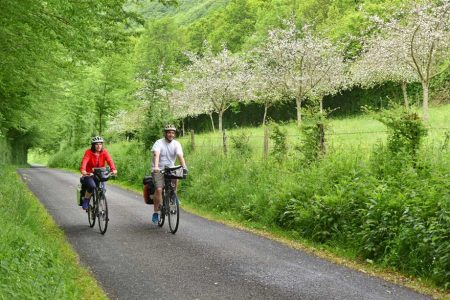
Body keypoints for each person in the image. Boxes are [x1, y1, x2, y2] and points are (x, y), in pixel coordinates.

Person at [151, 124, 187, 224]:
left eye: (172, 132)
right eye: (169, 132)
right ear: (165, 133)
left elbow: (180, 155)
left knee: (177, 173)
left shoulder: (176, 144)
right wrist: (156, 167)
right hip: (159, 169)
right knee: (159, 189)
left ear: (174, 134)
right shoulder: (159, 143)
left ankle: (173, 195)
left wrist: (184, 167)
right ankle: (156, 213)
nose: (171, 134)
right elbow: (156, 154)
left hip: (170, 168)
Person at [79, 136, 118, 210]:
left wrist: (113, 169)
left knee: (102, 190)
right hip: (89, 174)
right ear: (93, 145)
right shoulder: (89, 152)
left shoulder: (104, 152)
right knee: (92, 186)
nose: (98, 146)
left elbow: (109, 160)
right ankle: (86, 200)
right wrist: (83, 170)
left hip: (100, 174)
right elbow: (85, 161)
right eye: (96, 144)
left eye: (100, 144)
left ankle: (99, 204)